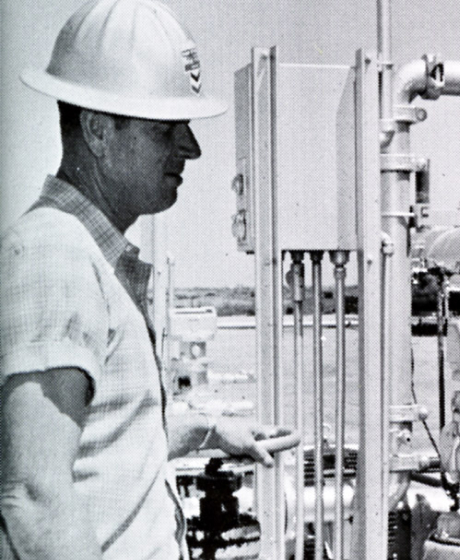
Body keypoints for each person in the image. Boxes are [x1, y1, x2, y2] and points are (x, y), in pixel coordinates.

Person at [0, 1, 295, 559]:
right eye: (167, 130)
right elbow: (34, 497)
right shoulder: (53, 254)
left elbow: (101, 440)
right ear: (98, 132)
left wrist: (209, 430)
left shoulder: (85, 255)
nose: (192, 148)